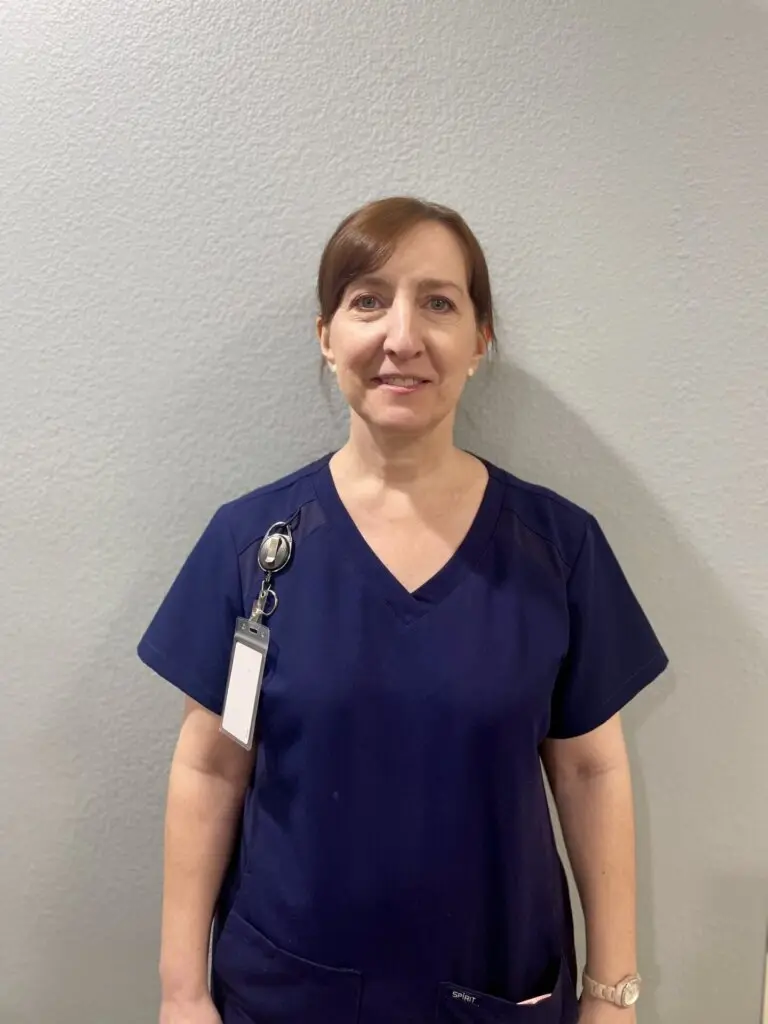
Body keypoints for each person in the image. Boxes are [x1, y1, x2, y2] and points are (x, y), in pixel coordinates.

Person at [138, 196, 669, 1024]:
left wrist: (613, 992)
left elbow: (590, 770)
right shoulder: (253, 543)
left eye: (439, 303)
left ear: (479, 341)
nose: (401, 338)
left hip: (495, 986)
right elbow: (209, 767)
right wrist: (181, 991)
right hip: (286, 992)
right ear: (326, 334)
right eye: (368, 300)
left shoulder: (558, 549)